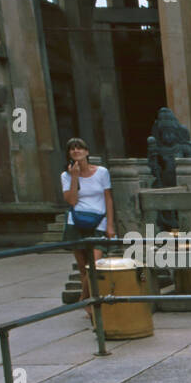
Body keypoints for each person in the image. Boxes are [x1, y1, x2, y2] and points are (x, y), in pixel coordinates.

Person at [60, 139, 115, 326]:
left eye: (79, 147)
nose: (76, 151)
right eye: (72, 148)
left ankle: (84, 300)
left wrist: (110, 225)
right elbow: (72, 201)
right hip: (76, 222)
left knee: (95, 264)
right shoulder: (66, 176)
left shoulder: (101, 172)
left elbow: (108, 198)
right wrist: (74, 177)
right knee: (84, 267)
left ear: (87, 151)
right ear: (69, 153)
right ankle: (88, 301)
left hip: (98, 221)